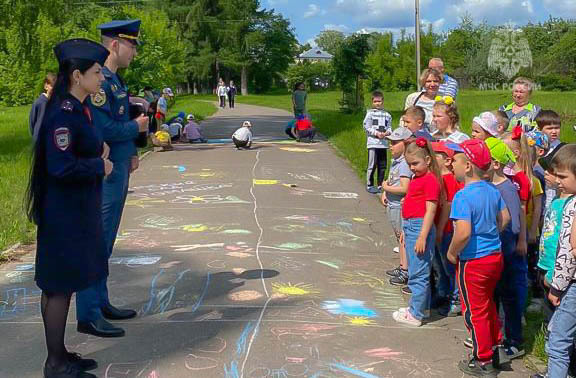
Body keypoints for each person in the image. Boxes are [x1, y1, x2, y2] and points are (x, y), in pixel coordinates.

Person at [26, 38, 111, 378]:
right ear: (77, 76)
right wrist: (98, 166)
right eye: (96, 72)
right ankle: (55, 364)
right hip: (64, 214)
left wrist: (96, 151)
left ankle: (59, 354)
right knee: (59, 286)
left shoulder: (75, 108)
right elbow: (60, 167)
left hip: (72, 211)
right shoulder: (62, 112)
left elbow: (76, 149)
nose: (101, 78)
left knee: (61, 284)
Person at [76, 19, 148, 339]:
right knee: (96, 242)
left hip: (118, 168)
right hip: (104, 173)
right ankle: (88, 314)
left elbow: (119, 119)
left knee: (107, 242)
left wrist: (132, 150)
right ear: (114, 45)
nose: (134, 52)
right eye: (131, 45)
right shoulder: (101, 83)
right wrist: (138, 128)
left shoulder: (115, 82)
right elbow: (103, 129)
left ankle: (101, 302)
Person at [446, 139, 510, 376]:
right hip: (494, 256)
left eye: (455, 161)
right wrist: (491, 233)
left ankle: (482, 359)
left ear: (469, 166)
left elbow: (463, 232)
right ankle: (497, 346)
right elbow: (505, 218)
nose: (451, 164)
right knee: (488, 303)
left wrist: (452, 252)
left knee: (474, 310)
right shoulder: (492, 190)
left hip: (473, 261)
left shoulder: (463, 196)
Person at [392, 138, 441, 327]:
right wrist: (405, 229)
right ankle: (421, 307)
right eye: (409, 164)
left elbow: (431, 210)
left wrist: (422, 236)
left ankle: (416, 314)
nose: (412, 168)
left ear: (428, 160)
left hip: (420, 227)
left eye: (415, 163)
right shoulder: (418, 178)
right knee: (417, 269)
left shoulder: (430, 180)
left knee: (417, 273)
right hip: (412, 226)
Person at [485, 137, 527, 361]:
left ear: (495, 164)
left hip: (506, 252)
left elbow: (514, 222)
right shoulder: (489, 186)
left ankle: (514, 341)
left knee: (508, 298)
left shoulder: (507, 189)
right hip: (494, 252)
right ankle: (495, 336)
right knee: (493, 296)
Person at [541, 145, 576, 378]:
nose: (558, 181)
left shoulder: (572, 206)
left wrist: (556, 285)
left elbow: (569, 253)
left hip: (570, 285)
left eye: (563, 176)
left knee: (557, 343)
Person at [430, 141, 463, 317]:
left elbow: (448, 206)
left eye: (436, 155)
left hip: (448, 229)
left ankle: (455, 297)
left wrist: (441, 229)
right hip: (436, 228)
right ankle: (443, 292)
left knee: (449, 265)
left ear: (448, 161)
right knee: (439, 265)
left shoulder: (450, 180)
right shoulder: (436, 178)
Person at [381, 127, 413, 287]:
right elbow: (391, 180)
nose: (390, 146)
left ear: (406, 144)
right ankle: (402, 266)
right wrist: (384, 193)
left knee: (403, 238)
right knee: (398, 237)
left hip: (399, 206)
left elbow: (405, 187)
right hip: (392, 204)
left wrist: (386, 188)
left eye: (394, 143)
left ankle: (405, 270)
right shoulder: (396, 161)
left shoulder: (405, 164)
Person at [363, 91, 392, 194]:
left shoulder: (387, 115)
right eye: (375, 101)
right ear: (372, 102)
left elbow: (389, 127)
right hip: (373, 143)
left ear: (382, 101)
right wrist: (376, 133)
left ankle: (380, 184)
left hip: (383, 144)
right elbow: (366, 127)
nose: (377, 103)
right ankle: (370, 184)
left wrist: (388, 133)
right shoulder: (370, 113)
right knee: (372, 164)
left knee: (382, 165)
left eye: (379, 101)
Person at [402, 68, 443, 132]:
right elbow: (404, 119)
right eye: (428, 81)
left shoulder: (444, 100)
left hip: (437, 138)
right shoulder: (412, 98)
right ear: (423, 82)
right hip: (413, 137)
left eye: (435, 81)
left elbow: (453, 122)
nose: (432, 84)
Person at [29, 73, 56, 141]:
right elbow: (32, 121)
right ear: (46, 86)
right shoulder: (39, 103)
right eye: (52, 86)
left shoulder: (57, 103)